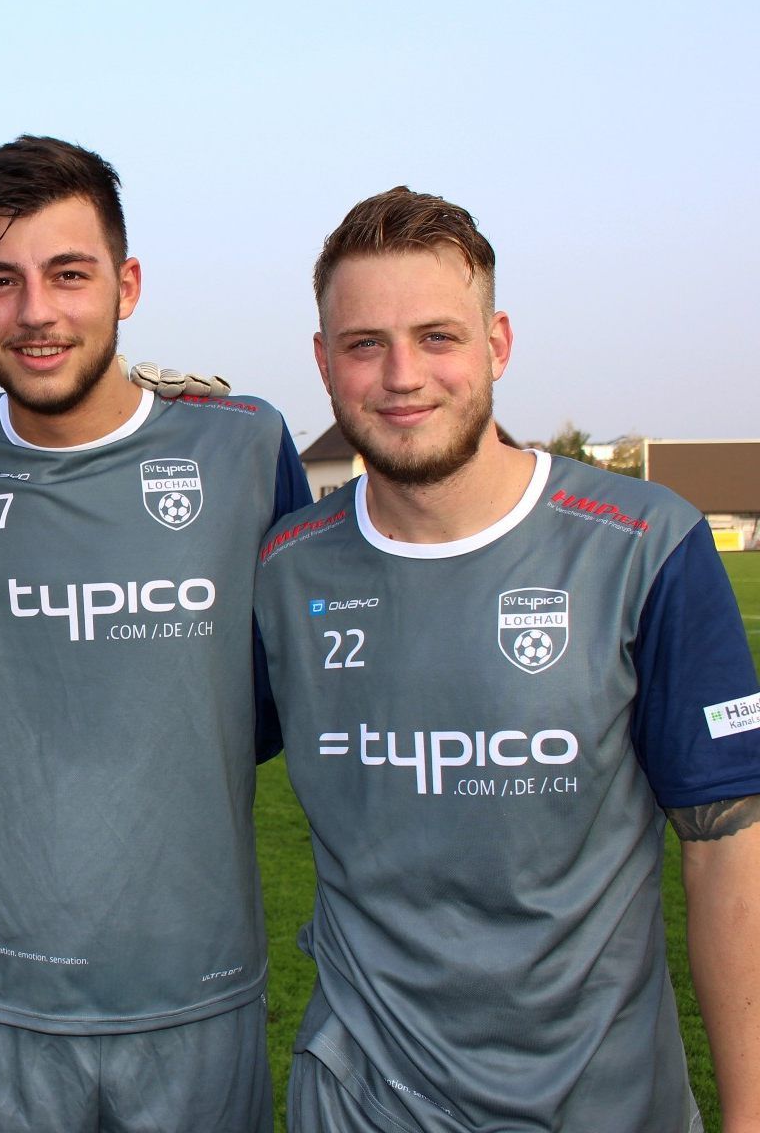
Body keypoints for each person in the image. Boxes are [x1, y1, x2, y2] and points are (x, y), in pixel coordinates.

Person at [253, 186, 760, 1131]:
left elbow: (729, 848)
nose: (403, 374)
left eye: (438, 337)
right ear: (324, 363)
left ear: (498, 343)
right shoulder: (284, 568)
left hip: (603, 1107)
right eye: (365, 344)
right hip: (363, 1103)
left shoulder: (645, 547)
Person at [0, 135, 311, 1133]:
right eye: (1, 281)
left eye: (69, 275)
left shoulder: (241, 444)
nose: (36, 312)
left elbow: (301, 680)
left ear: (127, 282)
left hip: (198, 993)